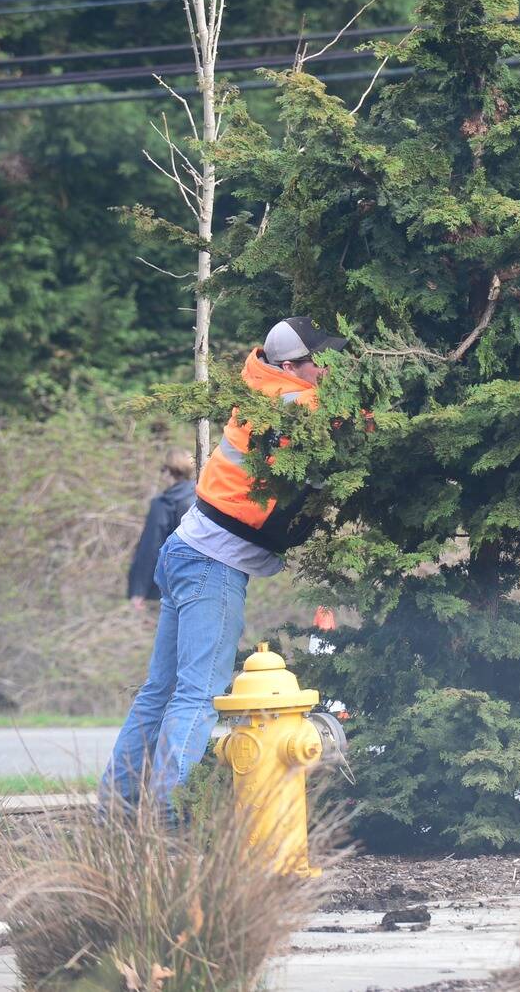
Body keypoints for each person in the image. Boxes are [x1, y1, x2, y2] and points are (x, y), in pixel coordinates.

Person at [102, 315, 345, 819]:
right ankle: (170, 817)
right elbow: (346, 419)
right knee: (198, 695)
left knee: (160, 692)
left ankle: (115, 811)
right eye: (318, 360)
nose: (326, 369)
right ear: (289, 367)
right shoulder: (293, 404)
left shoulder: (261, 390)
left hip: (185, 551)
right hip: (210, 564)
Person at [127, 450, 196, 611]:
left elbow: (151, 547)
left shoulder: (163, 504)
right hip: (200, 584)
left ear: (169, 471)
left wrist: (139, 590)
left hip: (168, 588)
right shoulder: (203, 500)